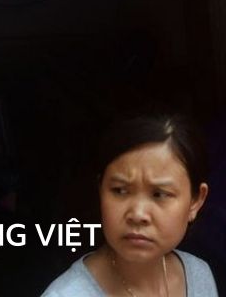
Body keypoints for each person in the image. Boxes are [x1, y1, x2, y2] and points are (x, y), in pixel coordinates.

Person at [42, 115, 217, 297]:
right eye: (120, 190)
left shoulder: (198, 275)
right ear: (100, 190)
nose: (138, 214)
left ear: (196, 201)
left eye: (159, 194)